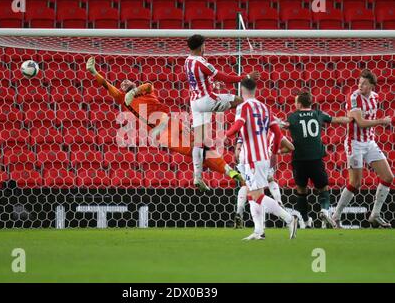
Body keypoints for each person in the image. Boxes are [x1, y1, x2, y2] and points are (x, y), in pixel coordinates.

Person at [86, 57, 243, 189]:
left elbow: (148, 85)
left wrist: (133, 92)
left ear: (134, 85)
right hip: (162, 132)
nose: (124, 83)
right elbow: (107, 86)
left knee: (200, 147)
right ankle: (225, 171)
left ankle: (220, 173)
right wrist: (94, 72)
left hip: (171, 123)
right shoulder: (123, 99)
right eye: (122, 84)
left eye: (127, 81)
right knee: (200, 149)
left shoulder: (145, 90)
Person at [226, 77, 298, 240]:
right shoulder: (265, 107)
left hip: (252, 157)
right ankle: (259, 231)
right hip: (261, 157)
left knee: (256, 195)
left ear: (242, 90)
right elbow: (278, 133)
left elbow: (237, 126)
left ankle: (289, 219)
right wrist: (272, 153)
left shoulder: (243, 106)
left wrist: (225, 134)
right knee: (252, 195)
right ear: (255, 90)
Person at [185, 34, 259, 191]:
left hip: (195, 103)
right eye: (204, 45)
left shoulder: (187, 61)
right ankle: (247, 131)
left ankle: (197, 177)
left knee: (199, 142)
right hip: (207, 100)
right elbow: (224, 77)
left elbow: (201, 81)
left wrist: (211, 83)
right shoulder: (201, 62)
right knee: (240, 101)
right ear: (201, 47)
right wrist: (246, 77)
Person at [332, 69, 393, 228]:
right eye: (359, 82)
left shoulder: (376, 97)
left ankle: (375, 215)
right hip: (355, 143)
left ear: (372, 85)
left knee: (387, 177)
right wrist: (381, 121)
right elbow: (360, 123)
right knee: (356, 183)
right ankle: (336, 215)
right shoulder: (354, 97)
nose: (360, 85)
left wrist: (382, 121)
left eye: (364, 83)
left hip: (370, 142)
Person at [286, 91, 352, 229]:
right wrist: (351, 119)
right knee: (323, 188)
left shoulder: (292, 117)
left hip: (299, 159)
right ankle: (324, 210)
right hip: (315, 158)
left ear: (299, 104)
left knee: (301, 189)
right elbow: (337, 120)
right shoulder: (318, 114)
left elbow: (282, 125)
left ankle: (305, 221)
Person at [233, 127, 295, 229]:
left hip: (248, 160)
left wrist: (239, 157)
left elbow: (237, 150)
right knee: (265, 186)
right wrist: (275, 151)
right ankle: (278, 202)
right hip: (264, 160)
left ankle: (240, 211)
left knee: (250, 189)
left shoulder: (247, 129)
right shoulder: (273, 132)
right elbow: (291, 147)